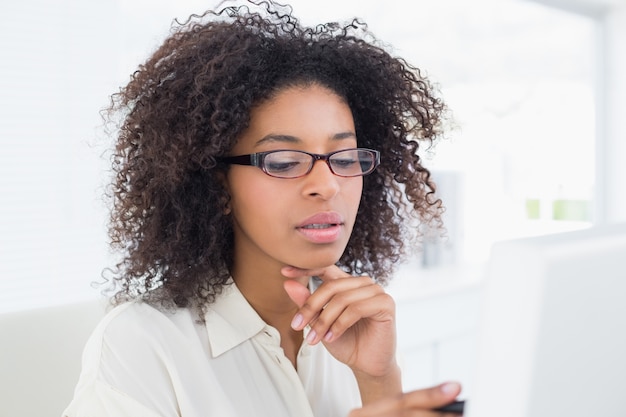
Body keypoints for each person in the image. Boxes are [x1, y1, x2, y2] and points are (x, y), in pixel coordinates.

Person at [63, 1, 462, 416]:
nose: (327, 186)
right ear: (217, 184)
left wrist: (379, 380)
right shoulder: (142, 343)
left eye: (344, 159)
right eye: (285, 162)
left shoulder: (360, 327)